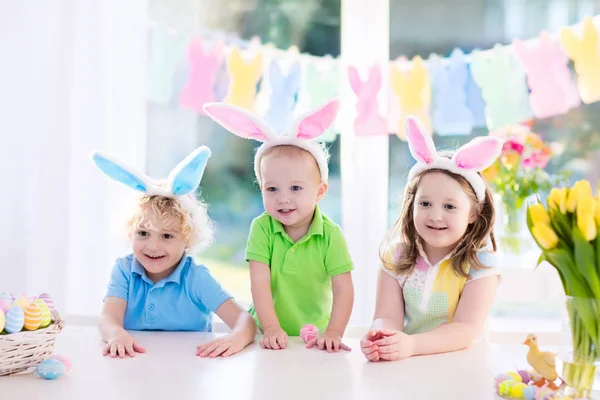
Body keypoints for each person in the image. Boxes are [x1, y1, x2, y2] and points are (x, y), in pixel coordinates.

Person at [204, 100, 354, 353]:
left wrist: (334, 332)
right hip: (265, 331)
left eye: (295, 188)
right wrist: (272, 327)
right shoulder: (262, 228)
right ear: (261, 188)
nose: (283, 198)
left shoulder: (331, 234)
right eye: (272, 189)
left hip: (314, 333)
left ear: (320, 191)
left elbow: (344, 288)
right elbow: (259, 282)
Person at [361, 116, 503, 362]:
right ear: (411, 205)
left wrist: (412, 344)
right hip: (411, 365)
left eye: (449, 206)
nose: (435, 215)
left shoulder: (482, 263)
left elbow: (465, 330)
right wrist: (382, 336)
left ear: (473, 213)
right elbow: (387, 315)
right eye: (425, 203)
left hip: (463, 368)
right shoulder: (397, 256)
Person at [92, 146, 256, 358]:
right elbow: (108, 317)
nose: (152, 246)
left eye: (167, 236)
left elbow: (244, 320)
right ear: (130, 232)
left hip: (188, 367)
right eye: (143, 233)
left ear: (187, 239)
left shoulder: (196, 277)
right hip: (134, 364)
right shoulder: (124, 270)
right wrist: (116, 334)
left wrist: (236, 338)